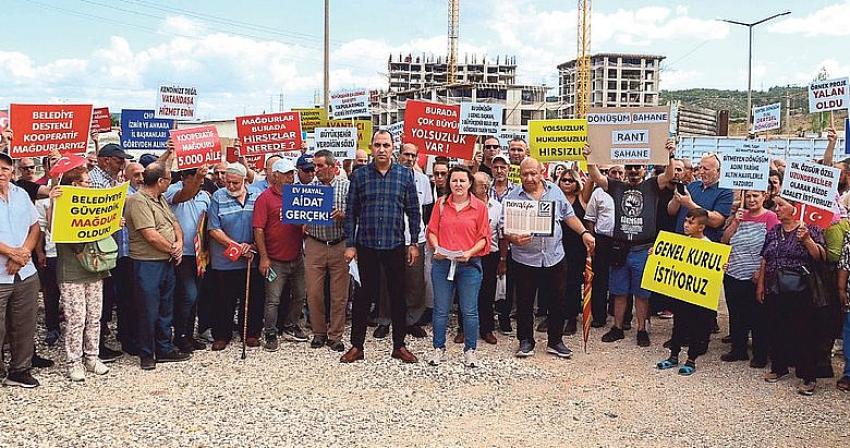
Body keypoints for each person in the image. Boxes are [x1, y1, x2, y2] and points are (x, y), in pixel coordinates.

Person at [341, 130, 421, 364]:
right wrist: (350, 244)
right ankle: (357, 346)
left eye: (386, 145)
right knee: (363, 297)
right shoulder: (360, 176)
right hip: (366, 245)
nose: (382, 149)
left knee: (397, 297)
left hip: (395, 244)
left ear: (393, 147)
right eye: (378, 145)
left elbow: (413, 211)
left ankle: (399, 345)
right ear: (371, 147)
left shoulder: (405, 175)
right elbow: (351, 213)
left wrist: (414, 242)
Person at [585, 141, 676, 347]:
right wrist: (589, 157)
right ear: (625, 170)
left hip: (643, 249)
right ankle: (617, 327)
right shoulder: (616, 187)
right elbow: (597, 177)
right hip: (620, 249)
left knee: (642, 294)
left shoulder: (652, 185)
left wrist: (670, 155)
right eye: (630, 167)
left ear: (644, 169)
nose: (633, 171)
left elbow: (669, 176)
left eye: (637, 167)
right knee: (619, 292)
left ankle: (642, 329)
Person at [505, 158, 595, 359]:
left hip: (554, 256)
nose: (529, 178)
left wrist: (584, 233)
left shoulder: (555, 191)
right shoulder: (513, 197)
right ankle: (526, 340)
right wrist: (513, 237)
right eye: (525, 174)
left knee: (558, 300)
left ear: (541, 172)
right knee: (525, 302)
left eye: (533, 173)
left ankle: (555, 341)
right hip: (525, 258)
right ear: (520, 174)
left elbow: (569, 216)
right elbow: (505, 228)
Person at [757, 196, 828, 396]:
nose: (776, 209)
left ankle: (808, 375)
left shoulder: (810, 229)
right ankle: (779, 366)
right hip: (775, 287)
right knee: (777, 328)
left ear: (795, 209)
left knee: (804, 332)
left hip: (801, 289)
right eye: (776, 205)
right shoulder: (774, 231)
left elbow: (821, 256)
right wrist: (761, 284)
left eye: (781, 205)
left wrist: (807, 241)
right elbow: (765, 258)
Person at [124, 162, 190, 370]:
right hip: (147, 263)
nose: (171, 184)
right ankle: (147, 353)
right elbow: (150, 235)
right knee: (147, 309)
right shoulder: (137, 201)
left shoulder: (160, 199)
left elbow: (175, 223)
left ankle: (164, 348)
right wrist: (173, 248)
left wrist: (179, 243)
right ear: (161, 181)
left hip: (166, 261)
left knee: (165, 308)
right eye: (169, 179)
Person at [49, 167, 111, 381]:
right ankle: (73, 362)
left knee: (95, 317)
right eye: (86, 182)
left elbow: (99, 230)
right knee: (76, 319)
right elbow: (53, 228)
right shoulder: (61, 205)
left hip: (94, 269)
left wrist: (112, 224)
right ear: (74, 184)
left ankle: (92, 357)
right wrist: (53, 203)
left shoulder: (92, 206)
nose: (90, 186)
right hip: (71, 273)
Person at [427, 166, 490, 367]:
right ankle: (438, 348)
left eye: (463, 180)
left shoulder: (479, 207)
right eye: (454, 180)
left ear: (470, 183)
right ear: (449, 183)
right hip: (443, 263)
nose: (458, 184)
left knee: (469, 310)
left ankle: (470, 350)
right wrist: (436, 247)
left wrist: (469, 253)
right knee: (441, 309)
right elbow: (432, 230)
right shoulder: (441, 204)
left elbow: (484, 237)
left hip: (469, 265)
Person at [208, 163, 265, 351]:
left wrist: (254, 246)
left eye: (235, 183)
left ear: (245, 181)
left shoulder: (257, 195)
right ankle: (222, 334)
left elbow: (263, 224)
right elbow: (214, 228)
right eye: (228, 182)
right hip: (225, 259)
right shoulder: (218, 196)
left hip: (251, 256)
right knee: (223, 299)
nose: (230, 186)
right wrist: (237, 247)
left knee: (252, 297)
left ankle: (250, 332)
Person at [655, 208, 718, 376]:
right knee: (678, 325)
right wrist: (656, 255)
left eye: (691, 222)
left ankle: (691, 359)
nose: (686, 225)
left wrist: (722, 267)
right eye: (685, 221)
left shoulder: (709, 246)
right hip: (682, 294)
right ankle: (673, 355)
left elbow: (713, 269)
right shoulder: (681, 243)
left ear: (701, 227)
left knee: (697, 327)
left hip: (698, 297)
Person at [254, 159, 307, 351]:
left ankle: (290, 325)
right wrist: (264, 257)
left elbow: (304, 220)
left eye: (291, 173)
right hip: (275, 259)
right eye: (286, 174)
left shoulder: (298, 196)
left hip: (296, 256)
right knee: (273, 299)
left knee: (301, 294)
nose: (290, 177)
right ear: (274, 175)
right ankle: (270, 332)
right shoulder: (264, 198)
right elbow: (258, 229)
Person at [721, 190, 778, 367]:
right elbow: (724, 240)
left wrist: (761, 273)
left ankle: (760, 354)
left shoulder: (770, 217)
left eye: (755, 196)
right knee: (736, 313)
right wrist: (735, 222)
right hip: (733, 273)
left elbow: (772, 247)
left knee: (758, 316)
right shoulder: (739, 215)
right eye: (748, 196)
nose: (751, 200)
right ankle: (738, 349)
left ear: (764, 196)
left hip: (755, 276)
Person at [0, 152, 43, 388]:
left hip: (25, 272)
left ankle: (20, 370)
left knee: (25, 323)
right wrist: (10, 252)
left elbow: (34, 225)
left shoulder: (21, 194)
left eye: (5, 169)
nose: (1, 173)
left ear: (12, 172)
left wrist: (24, 253)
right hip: (1, 271)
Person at [380, 142, 431, 338]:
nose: (409, 159)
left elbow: (426, 209)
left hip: (414, 238)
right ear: (398, 154)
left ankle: (411, 320)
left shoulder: (423, 180)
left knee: (414, 282)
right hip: (390, 238)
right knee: (386, 280)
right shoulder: (388, 176)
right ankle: (385, 319)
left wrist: (418, 238)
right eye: (406, 154)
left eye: (413, 155)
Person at [303, 151, 350, 352]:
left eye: (320, 166)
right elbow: (298, 215)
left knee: (339, 294)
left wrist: (344, 215)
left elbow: (357, 214)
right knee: (313, 292)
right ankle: (319, 333)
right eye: (315, 166)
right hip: (315, 243)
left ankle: (336, 336)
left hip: (340, 244)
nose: (317, 170)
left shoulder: (347, 187)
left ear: (332, 166)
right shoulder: (307, 190)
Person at [165, 167, 211, 353]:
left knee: (194, 297)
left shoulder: (205, 196)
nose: (200, 182)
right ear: (184, 177)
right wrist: (198, 178)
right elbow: (184, 195)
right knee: (187, 295)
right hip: (180, 255)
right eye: (195, 178)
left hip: (199, 255)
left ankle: (188, 334)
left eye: (201, 179)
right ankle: (180, 335)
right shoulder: (172, 190)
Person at [456, 171, 505, 345]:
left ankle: (486, 329)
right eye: (475, 183)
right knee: (465, 291)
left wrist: (503, 259)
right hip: (468, 254)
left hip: (490, 254)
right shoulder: (462, 205)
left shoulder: (497, 207)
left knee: (487, 292)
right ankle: (463, 329)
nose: (481, 186)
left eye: (483, 183)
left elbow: (502, 235)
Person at [584, 165, 622, 327]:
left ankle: (621, 316)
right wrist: (592, 241)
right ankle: (599, 316)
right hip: (602, 240)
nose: (618, 175)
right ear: (607, 173)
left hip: (623, 241)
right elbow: (590, 218)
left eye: (621, 172)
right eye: (614, 172)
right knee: (600, 279)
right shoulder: (598, 193)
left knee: (620, 278)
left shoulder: (629, 192)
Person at [489, 154, 518, 334]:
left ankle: (504, 316)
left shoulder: (516, 191)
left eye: (503, 167)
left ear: (508, 169)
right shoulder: (485, 189)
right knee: (489, 282)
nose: (499, 171)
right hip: (490, 244)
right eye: (496, 167)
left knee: (509, 282)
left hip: (512, 245)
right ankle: (488, 317)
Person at [557, 168, 587, 335]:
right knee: (555, 282)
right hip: (556, 245)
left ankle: (571, 317)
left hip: (576, 247)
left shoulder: (581, 198)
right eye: (564, 179)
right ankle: (555, 314)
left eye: (571, 180)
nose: (567, 182)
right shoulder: (553, 196)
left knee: (573, 283)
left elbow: (592, 178)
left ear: (576, 183)